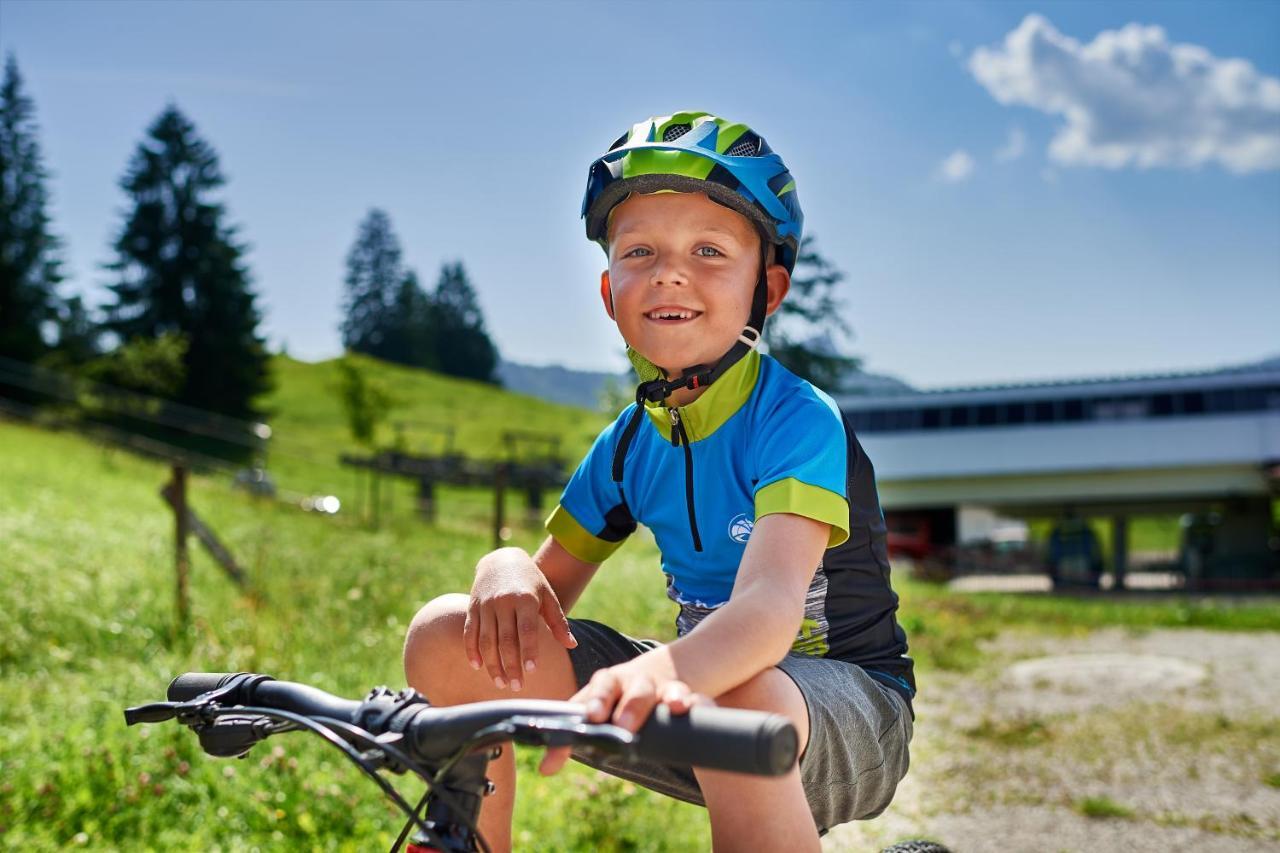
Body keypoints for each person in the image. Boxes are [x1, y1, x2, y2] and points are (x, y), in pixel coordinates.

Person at [403, 111, 914, 851]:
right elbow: (537, 612)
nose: (671, 271)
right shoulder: (629, 444)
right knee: (451, 634)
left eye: (709, 250)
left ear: (767, 289)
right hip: (695, 703)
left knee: (738, 693)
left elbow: (770, 612)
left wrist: (656, 676)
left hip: (847, 713)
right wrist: (505, 564)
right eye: (640, 250)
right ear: (611, 293)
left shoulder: (797, 418)